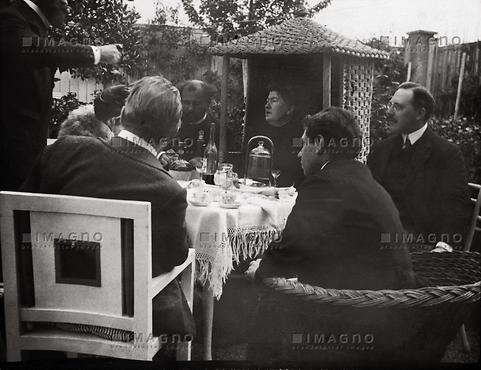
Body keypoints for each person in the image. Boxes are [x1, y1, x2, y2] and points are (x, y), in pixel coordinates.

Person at [21, 75, 194, 339]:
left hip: (43, 304)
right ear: (173, 131)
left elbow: (20, 215)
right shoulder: (169, 191)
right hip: (119, 319)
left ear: (123, 113)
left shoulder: (64, 150)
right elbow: (173, 257)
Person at [247, 107, 417, 361]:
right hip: (393, 308)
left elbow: (293, 245)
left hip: (360, 315)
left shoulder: (325, 182)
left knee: (270, 300)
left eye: (304, 144)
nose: (299, 152)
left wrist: (261, 268)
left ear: (320, 144)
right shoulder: (359, 177)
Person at [0, 0, 122, 191]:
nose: (67, 4)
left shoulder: (31, 26)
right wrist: (96, 53)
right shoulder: (9, 18)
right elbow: (34, 47)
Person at [368, 82, 471, 250]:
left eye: (398, 107)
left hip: (420, 248)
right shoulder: (381, 148)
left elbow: (456, 207)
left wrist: (443, 247)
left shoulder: (446, 154)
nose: (388, 112)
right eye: (390, 105)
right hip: (375, 242)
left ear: (420, 113)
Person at [254, 82, 305, 187]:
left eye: (274, 101)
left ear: (290, 109)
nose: (267, 106)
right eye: (267, 101)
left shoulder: (300, 135)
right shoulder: (259, 136)